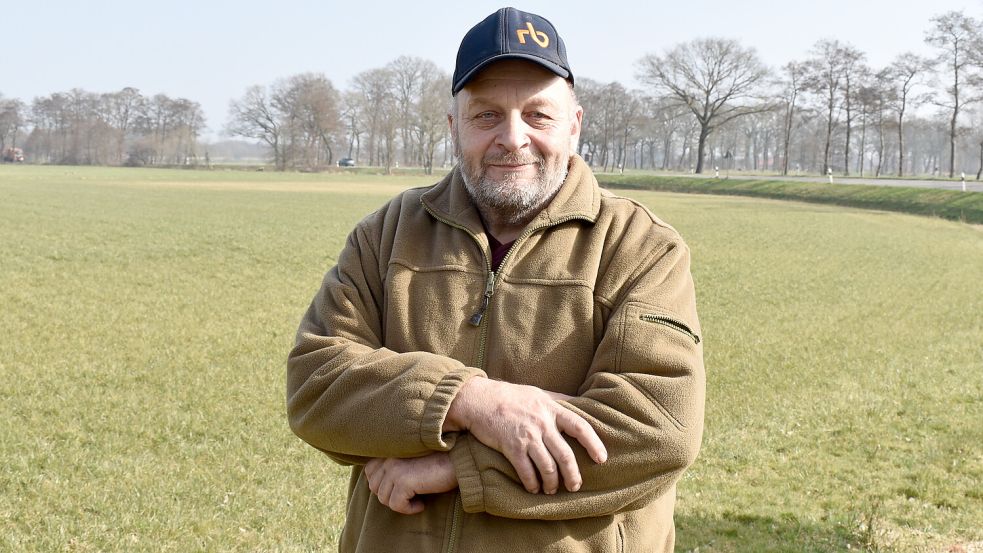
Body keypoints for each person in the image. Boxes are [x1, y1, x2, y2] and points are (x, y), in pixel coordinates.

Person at [287, 7, 705, 552]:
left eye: (538, 115)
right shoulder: (386, 234)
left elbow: (658, 426)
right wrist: (470, 401)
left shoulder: (641, 246)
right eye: (486, 116)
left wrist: (462, 466)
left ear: (574, 125)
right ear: (454, 125)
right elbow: (316, 383)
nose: (513, 138)